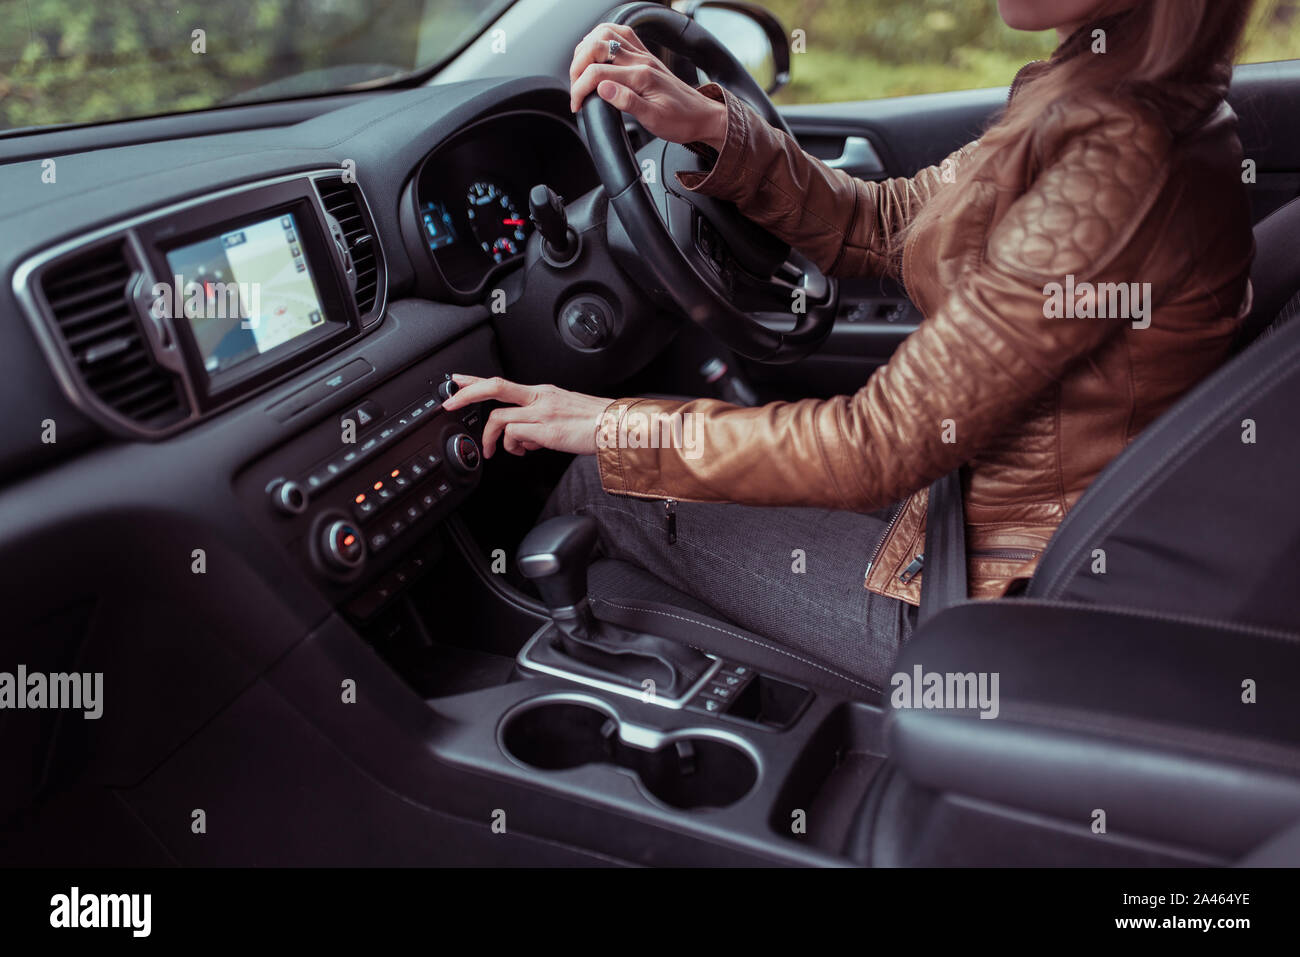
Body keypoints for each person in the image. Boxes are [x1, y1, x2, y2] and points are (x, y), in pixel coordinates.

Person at [441, 0, 1258, 690]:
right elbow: (895, 224)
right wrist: (712, 129)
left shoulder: (1116, 158)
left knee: (600, 482)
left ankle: (472, 708)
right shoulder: (1095, 94)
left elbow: (879, 444)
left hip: (990, 606)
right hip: (983, 509)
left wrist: (608, 423)